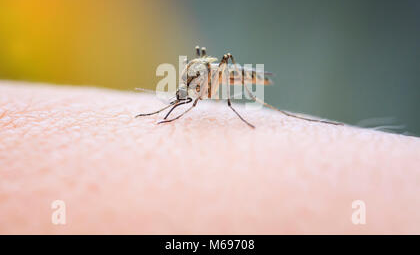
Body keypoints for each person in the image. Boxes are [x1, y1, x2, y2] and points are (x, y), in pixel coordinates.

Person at [0, 81, 419, 234]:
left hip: (220, 81)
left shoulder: (205, 84)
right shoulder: (187, 90)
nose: (182, 100)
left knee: (219, 95)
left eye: (182, 97)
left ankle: (250, 108)